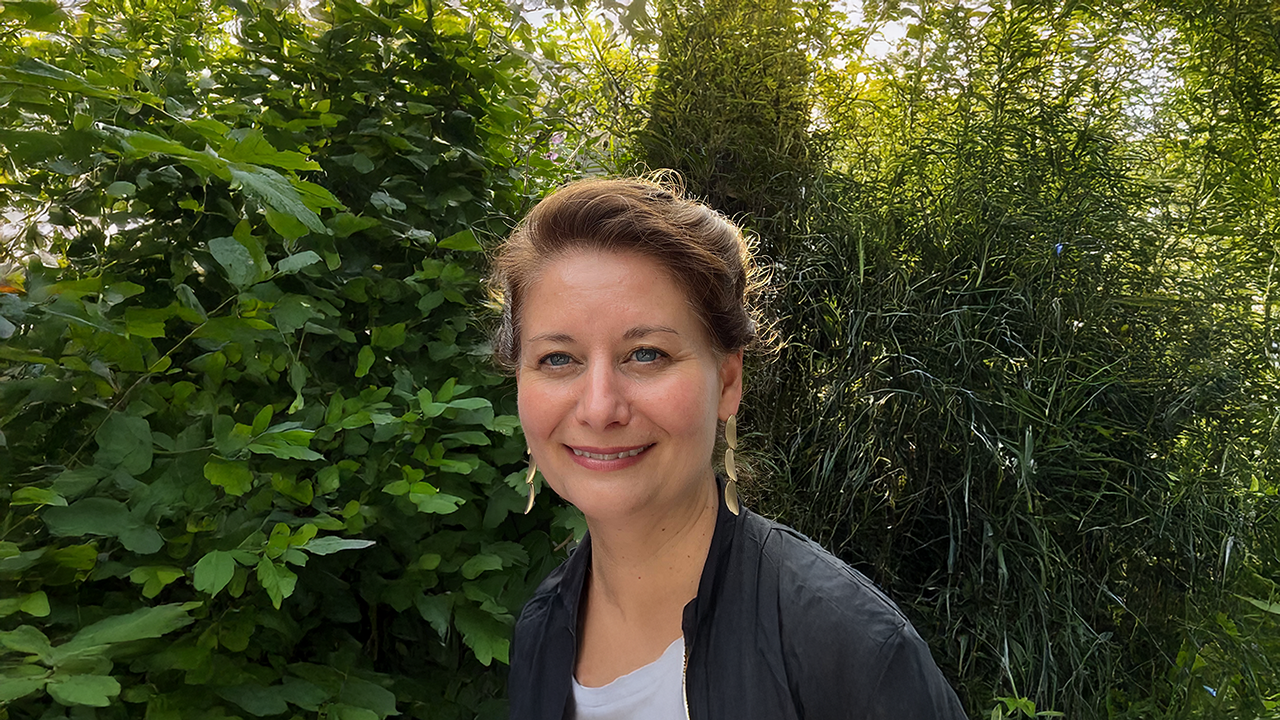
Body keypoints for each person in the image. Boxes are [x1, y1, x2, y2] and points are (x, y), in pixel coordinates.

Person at [494, 176, 966, 720]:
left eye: (645, 354)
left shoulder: (845, 649)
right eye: (558, 358)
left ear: (728, 380)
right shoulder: (540, 630)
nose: (600, 408)